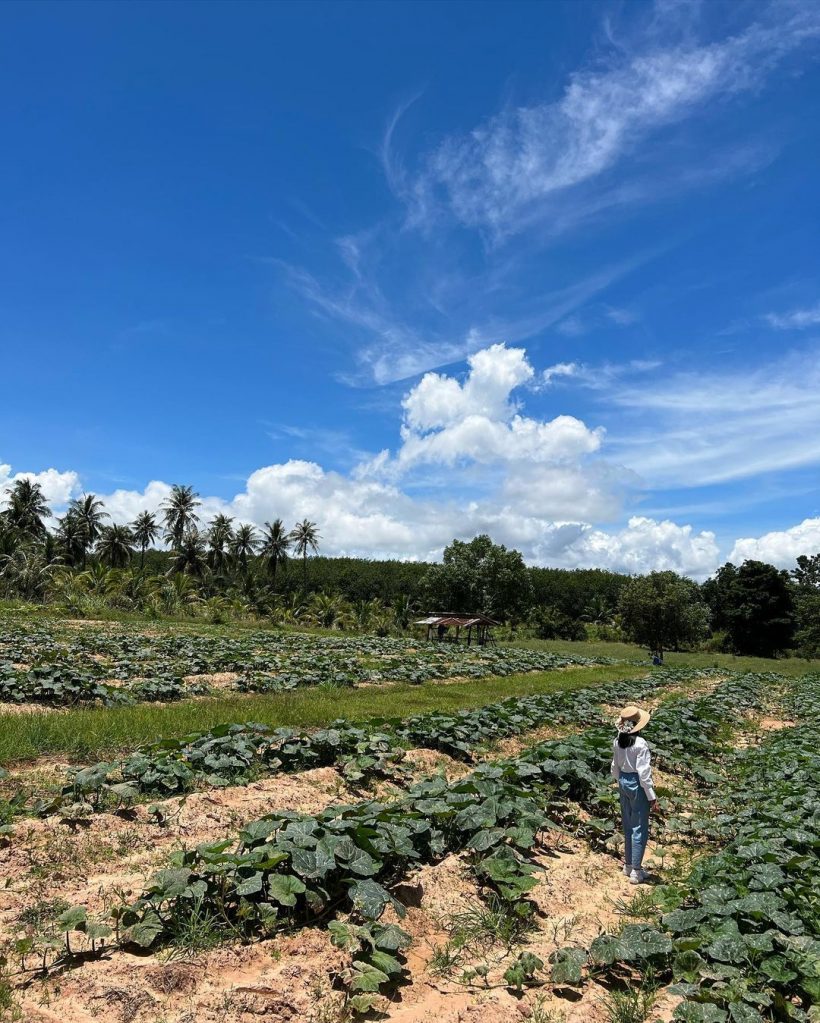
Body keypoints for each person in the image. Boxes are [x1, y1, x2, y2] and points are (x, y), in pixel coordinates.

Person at [610, 705, 658, 884]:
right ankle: (636, 871)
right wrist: (651, 795)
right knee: (640, 827)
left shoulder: (617, 742)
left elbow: (614, 767)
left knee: (628, 825)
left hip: (622, 782)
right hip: (637, 785)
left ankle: (628, 865)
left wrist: (620, 782)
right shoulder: (640, 744)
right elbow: (643, 773)